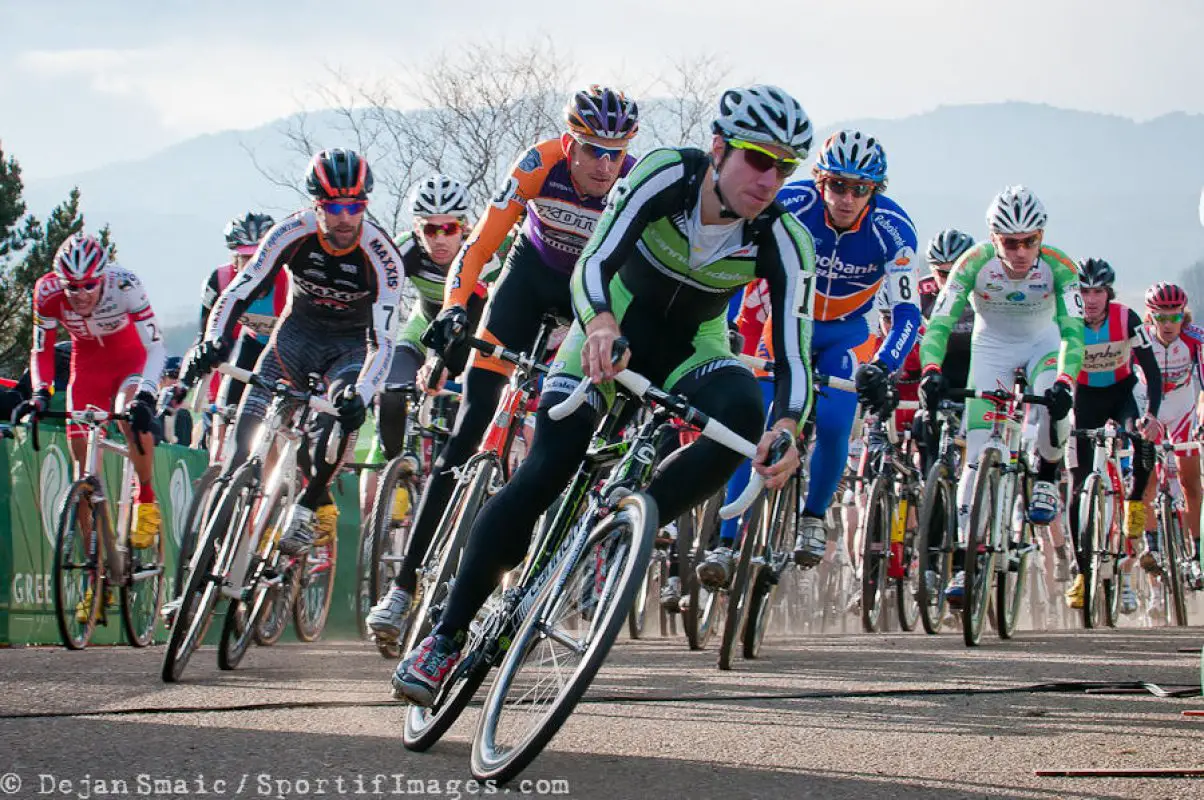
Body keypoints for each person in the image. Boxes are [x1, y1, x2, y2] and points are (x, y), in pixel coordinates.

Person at [392, 84, 818, 706]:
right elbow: (594, 260)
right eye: (758, 158)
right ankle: (446, 636)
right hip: (610, 328)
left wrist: (788, 427)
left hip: (693, 349)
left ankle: (626, 526)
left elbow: (793, 355)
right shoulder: (665, 174)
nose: (770, 178)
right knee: (544, 471)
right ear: (720, 149)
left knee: (745, 414)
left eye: (785, 167)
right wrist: (597, 323)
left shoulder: (782, 238)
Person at [365, 86, 640, 642]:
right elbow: (481, 244)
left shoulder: (634, 182)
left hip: (588, 300)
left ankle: (553, 563)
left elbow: (641, 274)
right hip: (526, 282)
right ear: (569, 143)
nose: (604, 164)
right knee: (467, 428)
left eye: (616, 151)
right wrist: (454, 309)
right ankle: (404, 587)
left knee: (566, 435)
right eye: (592, 150)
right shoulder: (539, 164)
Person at [183, 148, 404, 555]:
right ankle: (207, 564)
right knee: (240, 447)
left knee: (336, 429)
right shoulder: (292, 231)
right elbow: (240, 291)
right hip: (294, 340)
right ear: (316, 205)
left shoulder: (382, 254)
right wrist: (212, 340)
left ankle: (308, 505)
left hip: (349, 350)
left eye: (355, 205)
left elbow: (384, 340)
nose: (344, 217)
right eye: (334, 206)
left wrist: (364, 392)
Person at [764, 129, 921, 576]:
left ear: (875, 191)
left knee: (834, 424)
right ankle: (725, 537)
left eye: (860, 189)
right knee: (756, 417)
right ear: (820, 180)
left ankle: (812, 518)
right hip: (788, 318)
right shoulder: (791, 203)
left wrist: (885, 366)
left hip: (849, 331)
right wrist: (733, 324)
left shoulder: (893, 227)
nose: (847, 198)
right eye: (837, 185)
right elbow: (739, 260)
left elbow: (908, 313)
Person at [920, 186, 1085, 604]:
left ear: (1041, 237)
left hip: (1043, 346)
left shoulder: (1059, 266)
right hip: (991, 347)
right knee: (975, 459)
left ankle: (1046, 477)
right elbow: (940, 322)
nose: (1021, 252)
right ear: (994, 239)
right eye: (1010, 243)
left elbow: (1072, 331)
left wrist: (1066, 379)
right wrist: (932, 370)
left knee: (1053, 402)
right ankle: (962, 564)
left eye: (1030, 241)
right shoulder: (972, 263)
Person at [16, 233, 167, 552]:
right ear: (61, 282)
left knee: (130, 416)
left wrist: (147, 395)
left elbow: (156, 347)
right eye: (72, 286)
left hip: (131, 359)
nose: (80, 293)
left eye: (88, 285)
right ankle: (94, 577)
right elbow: (40, 349)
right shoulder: (46, 292)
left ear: (102, 278)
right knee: (82, 468)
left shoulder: (125, 285)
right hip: (86, 366)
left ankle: (147, 499)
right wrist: (40, 392)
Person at [1137, 282, 1204, 588]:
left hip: (1181, 409)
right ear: (1149, 317)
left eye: (1174, 317)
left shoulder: (1195, 339)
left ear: (1183, 316)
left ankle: (1198, 553)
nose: (1167, 324)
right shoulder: (1139, 340)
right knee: (1147, 480)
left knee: (1191, 481)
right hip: (1148, 409)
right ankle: (1152, 545)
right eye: (1160, 317)